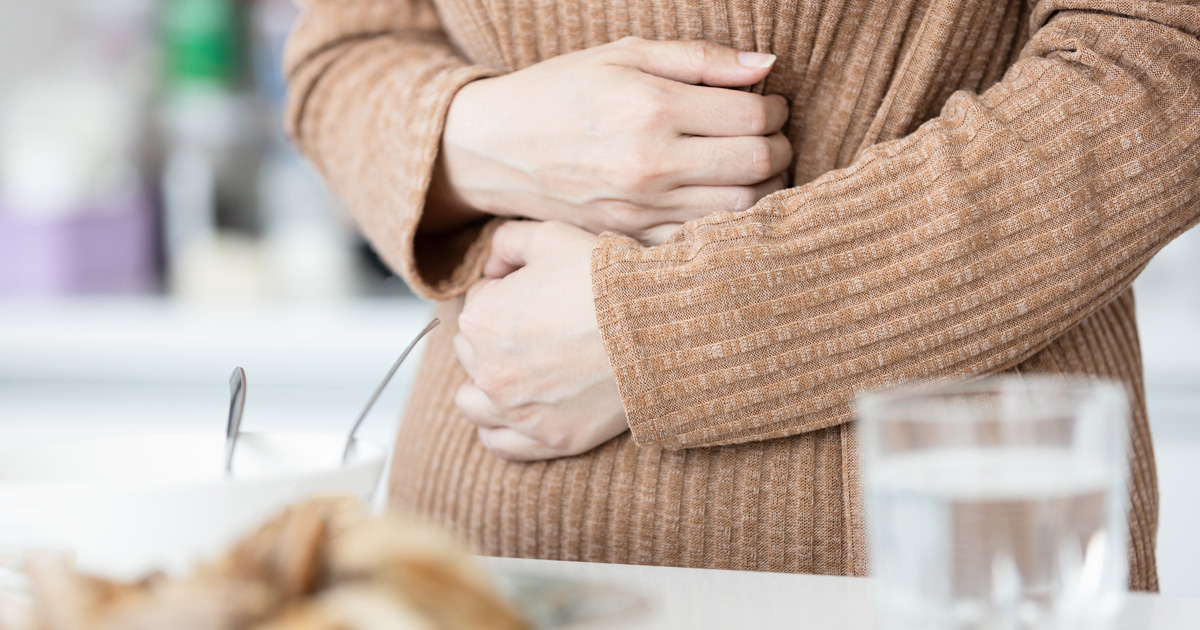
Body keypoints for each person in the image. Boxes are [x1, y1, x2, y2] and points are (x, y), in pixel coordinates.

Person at [285, 0, 1200, 591]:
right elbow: (343, 54)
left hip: (940, 553)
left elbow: (1161, 67)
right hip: (475, 552)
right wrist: (473, 132)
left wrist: (663, 331)